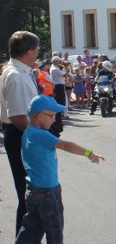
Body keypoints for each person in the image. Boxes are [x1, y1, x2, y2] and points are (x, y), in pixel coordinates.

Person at [15, 95, 104, 243]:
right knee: (54, 230)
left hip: (33, 190)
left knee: (31, 228)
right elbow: (65, 145)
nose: (55, 119)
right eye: (52, 116)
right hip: (47, 192)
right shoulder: (41, 134)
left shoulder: (29, 132)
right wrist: (88, 153)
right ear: (39, 116)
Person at [0, 31, 40, 236]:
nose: (38, 53)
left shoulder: (21, 70)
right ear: (29, 51)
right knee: (29, 197)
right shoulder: (15, 75)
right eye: (36, 50)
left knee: (31, 196)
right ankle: (23, 239)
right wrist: (39, 137)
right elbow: (17, 117)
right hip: (20, 135)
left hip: (22, 134)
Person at [49, 56, 66, 136]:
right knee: (60, 105)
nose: (60, 62)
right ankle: (57, 124)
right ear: (55, 61)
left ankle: (59, 123)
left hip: (58, 87)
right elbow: (65, 75)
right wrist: (66, 67)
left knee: (60, 105)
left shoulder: (55, 68)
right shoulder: (55, 69)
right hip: (58, 87)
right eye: (58, 61)